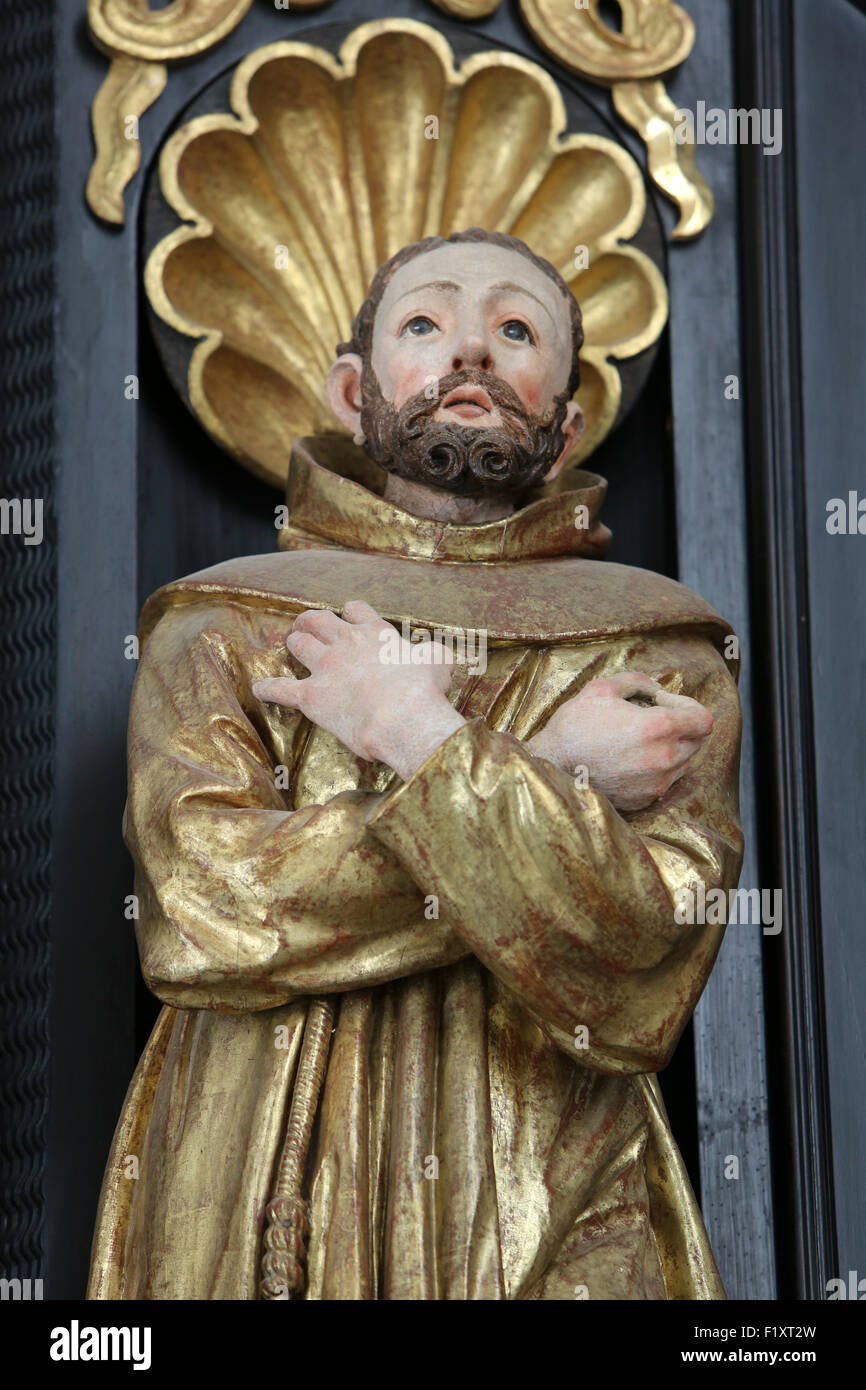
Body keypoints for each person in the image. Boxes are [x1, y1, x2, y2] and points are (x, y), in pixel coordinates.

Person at [88, 228, 742, 1300]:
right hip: (268, 1171)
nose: (471, 352)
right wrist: (536, 767)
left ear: (566, 421)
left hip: (549, 1187)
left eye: (516, 330)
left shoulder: (651, 652)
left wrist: (418, 739)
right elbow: (204, 909)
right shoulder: (223, 625)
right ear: (354, 390)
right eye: (426, 323)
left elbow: (637, 958)